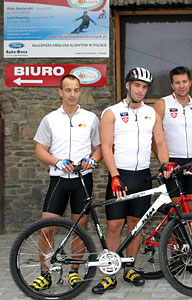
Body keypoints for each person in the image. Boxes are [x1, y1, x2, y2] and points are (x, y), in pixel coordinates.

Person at [93, 67, 172, 294]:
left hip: (143, 176)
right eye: (136, 85)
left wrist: (165, 163)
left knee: (135, 226)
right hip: (121, 176)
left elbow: (160, 141)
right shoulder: (111, 112)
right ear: (127, 85)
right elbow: (106, 148)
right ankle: (109, 274)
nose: (140, 90)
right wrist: (115, 175)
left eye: (144, 87)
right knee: (115, 225)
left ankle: (130, 267)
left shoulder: (151, 113)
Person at [30, 74, 102, 291]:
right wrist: (57, 161)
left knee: (80, 228)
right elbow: (39, 151)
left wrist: (93, 159)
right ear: (60, 92)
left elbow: (99, 149)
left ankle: (74, 272)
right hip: (59, 180)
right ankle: (45, 274)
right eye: (67, 90)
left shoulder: (91, 118)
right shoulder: (50, 119)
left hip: (82, 179)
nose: (72, 94)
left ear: (80, 92)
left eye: (76, 90)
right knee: (47, 228)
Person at [153, 66, 192, 212]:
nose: (181, 86)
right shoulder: (162, 104)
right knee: (175, 209)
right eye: (177, 83)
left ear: (190, 82)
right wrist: (165, 163)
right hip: (172, 162)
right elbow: (154, 138)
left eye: (184, 81)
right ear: (172, 85)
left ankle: (187, 236)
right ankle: (170, 236)